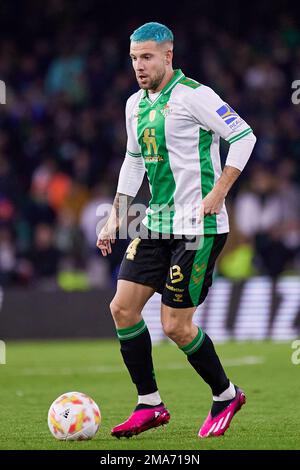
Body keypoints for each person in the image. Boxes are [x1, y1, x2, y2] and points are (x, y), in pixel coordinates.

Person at [97, 22, 256, 439]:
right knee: (122, 308)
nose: (138, 66)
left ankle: (225, 394)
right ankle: (149, 404)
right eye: (133, 58)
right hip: (155, 223)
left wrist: (220, 191)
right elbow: (133, 159)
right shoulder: (134, 104)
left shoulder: (195, 96)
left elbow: (244, 136)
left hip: (198, 227)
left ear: (168, 56)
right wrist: (116, 214)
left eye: (146, 57)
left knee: (175, 327)